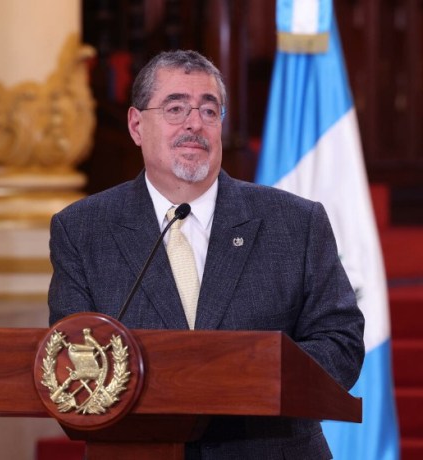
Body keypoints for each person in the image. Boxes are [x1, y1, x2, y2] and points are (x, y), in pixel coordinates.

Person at [48, 49, 365, 459]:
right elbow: (70, 359)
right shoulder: (82, 229)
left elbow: (341, 343)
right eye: (176, 108)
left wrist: (242, 377)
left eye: (209, 110)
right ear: (136, 125)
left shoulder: (295, 223)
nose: (194, 123)